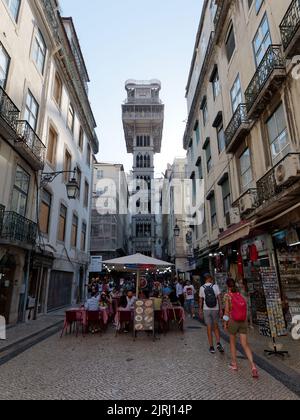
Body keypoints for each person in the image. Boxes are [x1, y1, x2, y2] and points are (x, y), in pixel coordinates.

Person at [223, 278, 259, 379]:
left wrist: (225, 323)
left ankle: (234, 364)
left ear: (227, 286)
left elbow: (226, 311)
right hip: (243, 321)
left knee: (233, 343)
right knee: (245, 344)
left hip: (233, 321)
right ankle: (253, 366)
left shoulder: (227, 296)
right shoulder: (239, 294)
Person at [199, 274, 224, 354]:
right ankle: (218, 343)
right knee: (216, 327)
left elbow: (201, 300)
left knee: (209, 328)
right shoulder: (215, 286)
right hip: (215, 309)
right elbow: (219, 299)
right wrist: (221, 309)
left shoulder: (202, 288)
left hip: (206, 309)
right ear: (209, 278)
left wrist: (200, 310)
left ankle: (211, 347)